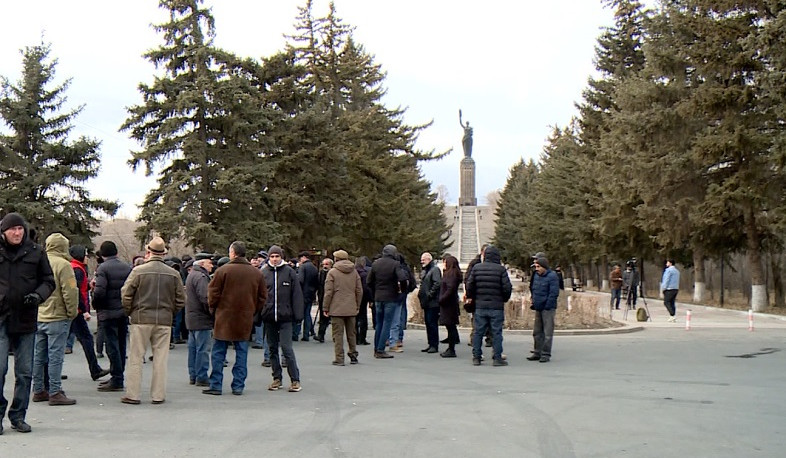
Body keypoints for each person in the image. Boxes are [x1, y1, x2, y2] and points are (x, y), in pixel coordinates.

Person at [0, 213, 55, 433]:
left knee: (24, 372)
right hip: (1, 317)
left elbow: (49, 281)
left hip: (25, 318)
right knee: (0, 369)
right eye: (12, 229)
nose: (17, 233)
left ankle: (18, 416)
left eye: (20, 229)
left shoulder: (36, 251)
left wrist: (38, 295)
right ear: (3, 232)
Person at [120, 237, 186, 405]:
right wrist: (170, 312)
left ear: (148, 251)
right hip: (164, 320)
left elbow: (126, 294)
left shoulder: (138, 271)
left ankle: (133, 394)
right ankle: (158, 395)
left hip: (141, 318)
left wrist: (130, 312)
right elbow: (181, 299)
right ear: (163, 253)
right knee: (160, 359)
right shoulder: (173, 274)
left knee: (136, 357)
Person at [203, 242, 267, 396]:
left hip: (224, 317)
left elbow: (213, 294)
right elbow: (262, 297)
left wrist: (214, 310)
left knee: (218, 353)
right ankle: (238, 385)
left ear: (233, 253)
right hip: (244, 317)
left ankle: (216, 385)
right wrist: (252, 310)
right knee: (241, 353)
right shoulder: (256, 273)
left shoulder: (222, 271)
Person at [31, 233, 79, 406]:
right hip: (57, 316)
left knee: (38, 355)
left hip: (39, 315)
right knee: (55, 356)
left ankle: (38, 389)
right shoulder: (64, 265)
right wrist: (72, 312)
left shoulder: (38, 261)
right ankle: (55, 391)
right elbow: (70, 291)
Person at [260, 245, 304, 392]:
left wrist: (298, 315)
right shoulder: (263, 273)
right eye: (272, 256)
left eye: (277, 256)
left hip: (286, 317)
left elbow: (296, 295)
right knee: (272, 349)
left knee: (286, 348)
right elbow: (259, 295)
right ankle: (277, 378)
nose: (274, 259)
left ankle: (295, 380)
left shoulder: (289, 272)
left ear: (281, 257)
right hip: (269, 317)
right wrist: (258, 314)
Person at [93, 240, 132, 393]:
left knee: (111, 346)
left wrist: (96, 305)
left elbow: (99, 291)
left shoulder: (103, 268)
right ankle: (119, 375)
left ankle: (116, 378)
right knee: (121, 344)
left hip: (108, 312)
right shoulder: (126, 267)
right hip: (123, 311)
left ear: (102, 254)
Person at [67, 245, 109, 382]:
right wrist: (84, 310)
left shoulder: (74, 267)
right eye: (85, 254)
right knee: (86, 339)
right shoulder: (78, 269)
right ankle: (95, 369)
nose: (86, 257)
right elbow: (76, 291)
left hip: (73, 309)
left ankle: (50, 371)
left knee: (60, 341)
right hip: (77, 311)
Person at [466, 245, 512, 366]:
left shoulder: (477, 268)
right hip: (496, 306)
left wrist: (472, 297)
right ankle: (497, 358)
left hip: (480, 306)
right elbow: (507, 288)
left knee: (478, 332)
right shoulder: (500, 270)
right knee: (496, 333)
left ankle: (476, 357)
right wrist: (504, 299)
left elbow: (469, 285)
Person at [322, 250, 362, 366]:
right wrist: (357, 305)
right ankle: (353, 355)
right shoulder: (354, 272)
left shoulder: (332, 272)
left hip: (336, 308)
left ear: (336, 259)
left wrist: (325, 307)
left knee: (338, 335)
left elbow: (328, 292)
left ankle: (339, 358)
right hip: (351, 306)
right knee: (352, 333)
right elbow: (359, 290)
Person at [367, 244, 407, 359]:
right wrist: (401, 291)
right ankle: (380, 349)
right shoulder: (395, 264)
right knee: (387, 323)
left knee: (379, 323)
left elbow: (369, 281)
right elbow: (403, 278)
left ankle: (376, 348)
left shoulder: (376, 264)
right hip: (390, 297)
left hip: (378, 297)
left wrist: (375, 291)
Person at [185, 253, 214, 387]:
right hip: (202, 318)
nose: (212, 266)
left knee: (193, 348)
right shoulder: (201, 277)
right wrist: (212, 312)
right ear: (202, 263)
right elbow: (205, 298)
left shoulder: (192, 275)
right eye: (209, 263)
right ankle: (201, 376)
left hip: (192, 317)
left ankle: (193, 375)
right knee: (202, 349)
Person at [527, 255, 560, 363]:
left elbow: (553, 293)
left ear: (544, 267)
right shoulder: (536, 275)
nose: (537, 269)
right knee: (537, 332)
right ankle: (537, 352)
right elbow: (533, 288)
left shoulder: (552, 276)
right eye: (536, 267)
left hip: (547, 308)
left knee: (547, 333)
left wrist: (547, 305)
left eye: (538, 267)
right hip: (538, 307)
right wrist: (533, 300)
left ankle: (545, 354)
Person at [438, 255, 462, 358]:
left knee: (450, 326)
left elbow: (450, 289)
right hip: (450, 303)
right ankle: (451, 347)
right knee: (450, 326)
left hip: (448, 304)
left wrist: (442, 299)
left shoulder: (451, 275)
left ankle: (451, 349)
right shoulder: (452, 274)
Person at [418, 252, 442, 353]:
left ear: (429, 259)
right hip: (427, 302)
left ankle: (434, 345)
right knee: (428, 323)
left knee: (432, 323)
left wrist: (429, 294)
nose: (421, 261)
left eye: (423, 259)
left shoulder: (434, 269)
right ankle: (430, 343)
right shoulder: (426, 270)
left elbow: (437, 283)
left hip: (433, 302)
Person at [295, 251, 319, 342]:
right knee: (307, 314)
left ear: (304, 257)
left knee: (299, 313)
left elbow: (300, 280)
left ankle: (295, 333)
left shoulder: (303, 267)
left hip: (302, 293)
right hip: (311, 293)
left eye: (300, 258)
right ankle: (306, 334)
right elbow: (317, 282)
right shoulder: (314, 267)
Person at [313, 257, 333, 343]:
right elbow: (318, 285)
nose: (325, 266)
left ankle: (335, 336)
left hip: (332, 298)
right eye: (323, 264)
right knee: (323, 317)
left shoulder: (333, 273)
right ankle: (321, 335)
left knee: (332, 318)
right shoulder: (321, 273)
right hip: (322, 297)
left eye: (327, 264)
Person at [354, 256, 372, 345]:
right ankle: (362, 338)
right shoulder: (365, 274)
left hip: (353, 298)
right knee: (363, 317)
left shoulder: (352, 273)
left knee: (354, 318)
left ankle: (355, 337)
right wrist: (370, 299)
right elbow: (367, 288)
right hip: (363, 298)